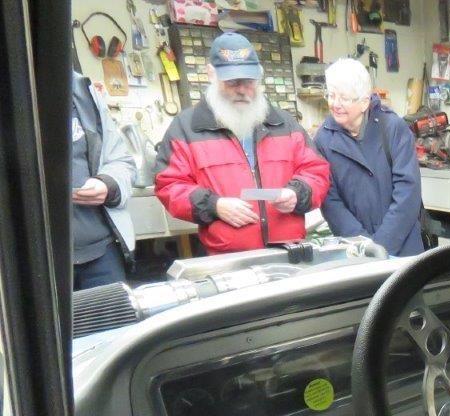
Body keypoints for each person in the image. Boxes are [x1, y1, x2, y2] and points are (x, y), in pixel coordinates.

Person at [154, 32, 329, 255]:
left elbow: (316, 171)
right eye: (232, 81)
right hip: (228, 260)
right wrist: (214, 205)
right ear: (211, 74)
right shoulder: (188, 128)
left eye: (248, 81)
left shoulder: (284, 123)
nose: (241, 89)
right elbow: (169, 185)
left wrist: (297, 194)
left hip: (289, 253)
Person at [314, 58, 424, 257]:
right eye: (331, 95)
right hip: (355, 252)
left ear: (365, 102)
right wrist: (363, 246)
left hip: (403, 248)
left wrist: (382, 245)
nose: (335, 104)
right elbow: (330, 201)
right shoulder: (323, 139)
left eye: (344, 98)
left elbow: (408, 192)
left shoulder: (392, 128)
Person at [71, 71, 136, 289]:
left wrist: (108, 184)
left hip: (101, 255)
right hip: (26, 262)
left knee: (117, 322)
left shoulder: (82, 90)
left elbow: (121, 160)